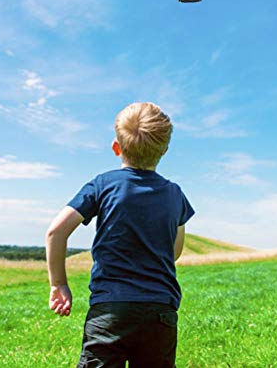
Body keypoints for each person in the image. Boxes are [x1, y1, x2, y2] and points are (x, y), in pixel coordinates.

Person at [45, 102, 195, 367]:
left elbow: (56, 232)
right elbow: (175, 251)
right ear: (164, 151)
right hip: (160, 312)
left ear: (117, 147)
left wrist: (59, 284)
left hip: (110, 310)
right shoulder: (175, 194)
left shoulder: (103, 184)